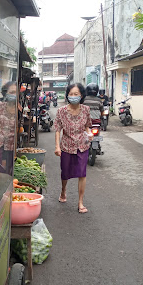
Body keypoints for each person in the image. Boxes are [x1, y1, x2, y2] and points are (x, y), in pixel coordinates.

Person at [54, 83, 93, 214]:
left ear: (81, 96)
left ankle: (80, 202)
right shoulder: (61, 111)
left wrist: (89, 133)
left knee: (82, 173)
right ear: (67, 95)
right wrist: (57, 146)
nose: (73, 96)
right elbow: (58, 130)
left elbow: (88, 126)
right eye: (71, 94)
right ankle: (63, 191)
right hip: (66, 146)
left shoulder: (86, 110)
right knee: (65, 172)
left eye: (76, 94)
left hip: (82, 145)